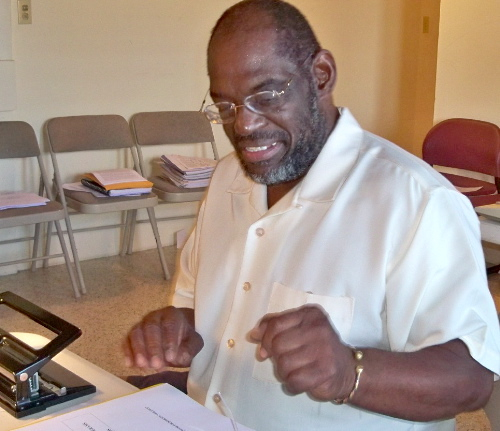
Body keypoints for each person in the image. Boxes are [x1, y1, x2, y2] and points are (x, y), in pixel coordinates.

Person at [123, 1, 500, 429]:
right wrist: (173, 328)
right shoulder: (229, 177)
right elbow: (195, 305)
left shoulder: (416, 202)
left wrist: (350, 372)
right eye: (225, 106)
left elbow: (472, 378)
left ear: (321, 75)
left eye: (266, 95)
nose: (243, 125)